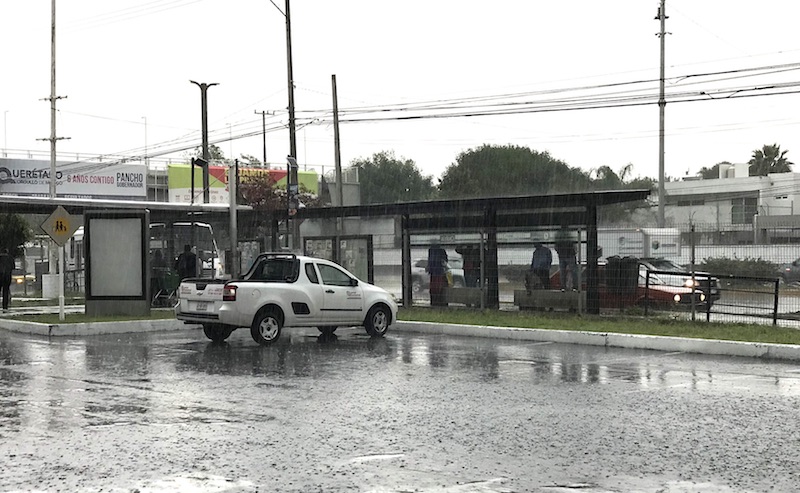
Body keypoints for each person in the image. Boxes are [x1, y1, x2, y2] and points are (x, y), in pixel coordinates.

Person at [554, 226, 578, 291]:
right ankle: (575, 286)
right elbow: (573, 243)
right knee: (573, 271)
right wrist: (574, 251)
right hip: (570, 254)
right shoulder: (570, 233)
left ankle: (563, 287)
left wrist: (559, 251)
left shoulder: (558, 234)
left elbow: (556, 245)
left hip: (562, 254)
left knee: (562, 271)